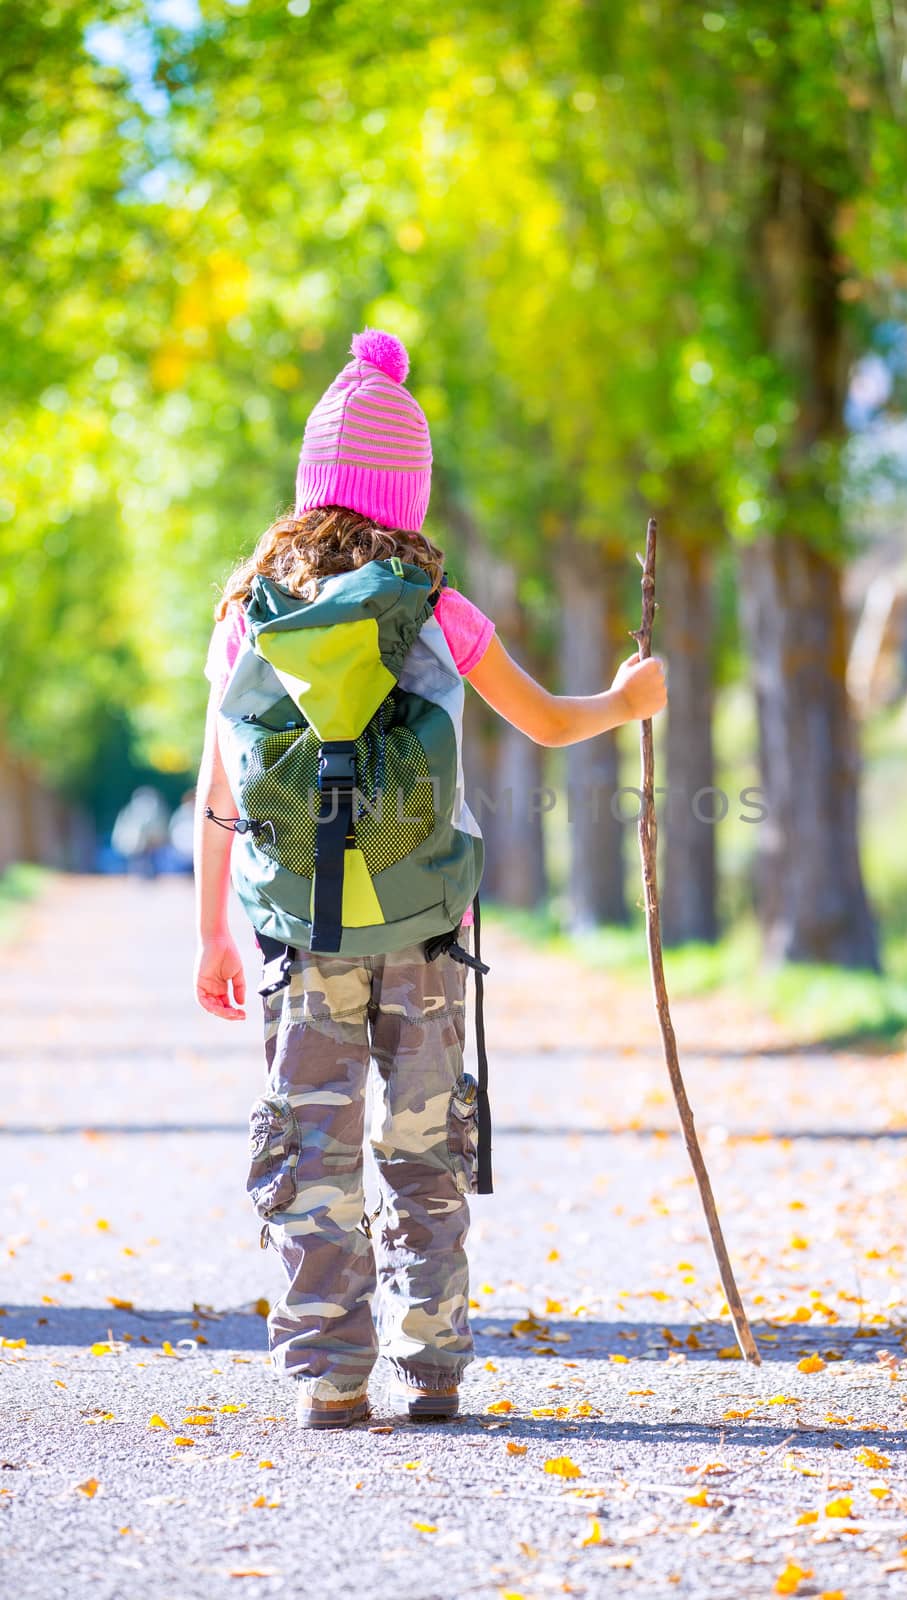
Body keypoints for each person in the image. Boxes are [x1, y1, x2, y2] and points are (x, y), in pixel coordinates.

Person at [193, 327, 666, 1430]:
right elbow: (547, 722)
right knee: (421, 1146)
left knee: (310, 1152)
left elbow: (216, 788)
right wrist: (625, 702)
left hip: (295, 931)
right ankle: (433, 1361)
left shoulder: (245, 614)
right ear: (411, 492)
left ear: (310, 484)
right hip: (426, 928)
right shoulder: (436, 609)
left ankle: (329, 1376)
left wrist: (211, 929)